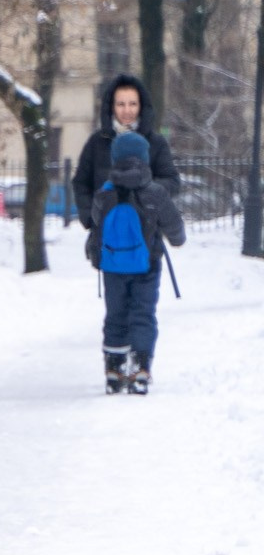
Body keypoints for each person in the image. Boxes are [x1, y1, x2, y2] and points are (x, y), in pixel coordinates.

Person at [83, 129, 186, 395]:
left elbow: (96, 227)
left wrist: (97, 258)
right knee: (143, 313)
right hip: (147, 265)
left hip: (113, 267)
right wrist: (175, 239)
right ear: (145, 158)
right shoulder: (155, 192)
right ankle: (140, 368)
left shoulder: (104, 194)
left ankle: (114, 370)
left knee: (116, 314)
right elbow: (175, 229)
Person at [70, 73, 181, 222]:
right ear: (112, 106)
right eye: (121, 104)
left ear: (141, 105)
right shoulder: (97, 141)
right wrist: (91, 218)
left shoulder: (156, 142)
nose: (127, 110)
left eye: (133, 104)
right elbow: (81, 182)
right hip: (105, 234)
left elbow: (172, 182)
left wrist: (146, 188)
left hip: (146, 233)